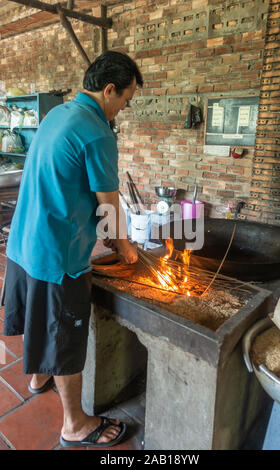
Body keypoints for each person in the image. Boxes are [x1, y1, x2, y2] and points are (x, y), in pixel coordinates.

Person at [3, 51, 143, 448]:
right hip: (56, 256)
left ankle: (38, 376)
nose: (123, 110)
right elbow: (109, 204)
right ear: (110, 89)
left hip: (23, 243)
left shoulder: (58, 115)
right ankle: (75, 424)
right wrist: (124, 246)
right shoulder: (98, 131)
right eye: (125, 101)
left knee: (40, 318)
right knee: (64, 334)